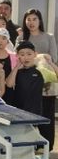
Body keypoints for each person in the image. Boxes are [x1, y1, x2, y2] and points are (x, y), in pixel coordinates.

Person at [18, 8, 57, 150]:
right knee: (30, 114)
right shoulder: (21, 38)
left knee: (47, 114)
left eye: (34, 19)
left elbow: (54, 58)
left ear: (40, 20)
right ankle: (30, 146)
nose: (31, 22)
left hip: (47, 83)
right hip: (28, 82)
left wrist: (36, 57)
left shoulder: (49, 37)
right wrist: (40, 56)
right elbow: (18, 58)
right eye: (28, 19)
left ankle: (46, 146)